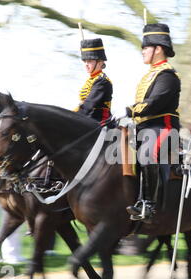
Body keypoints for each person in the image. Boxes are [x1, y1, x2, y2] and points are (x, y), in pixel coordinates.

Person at [125, 23, 181, 222]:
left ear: (158, 49)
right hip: (142, 126)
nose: (142, 51)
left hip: (162, 126)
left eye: (146, 47)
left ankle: (149, 203)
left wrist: (131, 110)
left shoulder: (167, 75)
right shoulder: (150, 74)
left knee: (147, 153)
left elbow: (154, 103)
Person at [73, 38, 113, 125]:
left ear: (99, 63)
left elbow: (88, 105)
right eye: (85, 61)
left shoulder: (102, 81)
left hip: (100, 124)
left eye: (89, 61)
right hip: (88, 121)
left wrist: (72, 117)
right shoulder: (91, 80)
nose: (86, 64)